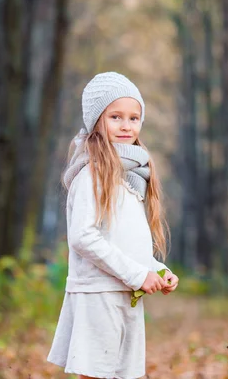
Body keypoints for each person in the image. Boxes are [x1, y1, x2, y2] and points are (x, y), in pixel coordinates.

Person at [47, 72, 179, 379]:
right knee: (95, 374)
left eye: (134, 118)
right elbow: (83, 237)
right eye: (115, 116)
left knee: (124, 374)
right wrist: (137, 274)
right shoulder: (92, 174)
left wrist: (156, 270)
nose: (126, 125)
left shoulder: (130, 175)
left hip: (126, 293)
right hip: (98, 294)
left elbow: (124, 240)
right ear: (96, 121)